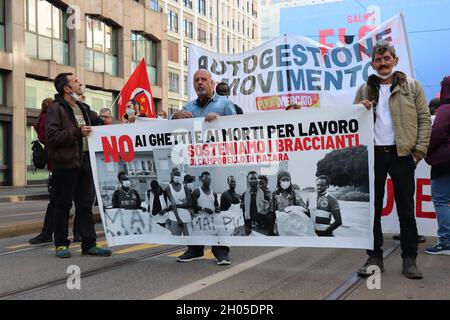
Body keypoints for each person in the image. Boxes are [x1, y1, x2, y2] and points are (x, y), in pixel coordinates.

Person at [354, 40, 431, 279]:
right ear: (373, 63)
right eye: (378, 60)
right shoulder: (364, 90)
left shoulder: (412, 86)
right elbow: (352, 122)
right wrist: (361, 109)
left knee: (406, 210)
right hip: (373, 156)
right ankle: (374, 257)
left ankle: (409, 259)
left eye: (387, 58)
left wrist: (417, 153)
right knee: (372, 210)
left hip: (402, 156)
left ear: (395, 61)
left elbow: (424, 120)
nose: (383, 63)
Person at [173, 69, 236, 264]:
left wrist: (219, 121)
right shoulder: (187, 107)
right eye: (196, 80)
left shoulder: (225, 104)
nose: (200, 83)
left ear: (212, 83)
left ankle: (221, 251)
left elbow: (237, 130)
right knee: (196, 208)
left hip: (217, 165)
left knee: (216, 209)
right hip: (195, 165)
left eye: (203, 79)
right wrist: (174, 117)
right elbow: (169, 129)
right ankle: (195, 248)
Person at [46, 72, 112, 258]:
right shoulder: (56, 109)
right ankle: (61, 244)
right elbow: (52, 137)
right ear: (67, 88)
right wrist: (77, 132)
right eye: (76, 81)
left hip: (84, 163)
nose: (80, 83)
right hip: (65, 165)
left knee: (85, 206)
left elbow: (98, 127)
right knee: (62, 205)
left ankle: (89, 244)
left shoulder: (83, 108)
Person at [424, 76, 450, 255]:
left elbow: (437, 132)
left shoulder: (446, 109)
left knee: (440, 200)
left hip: (444, 161)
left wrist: (426, 150)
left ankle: (446, 241)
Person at [29, 98, 55, 244]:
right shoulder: (48, 119)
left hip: (55, 162)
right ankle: (49, 233)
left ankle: (47, 233)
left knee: (58, 200)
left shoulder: (42, 118)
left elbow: (43, 137)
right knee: (59, 200)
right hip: (58, 162)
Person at [271, 170, 309, 235]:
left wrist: (293, 209)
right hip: (279, 226)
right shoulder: (274, 195)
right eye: (283, 180)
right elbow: (271, 210)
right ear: (279, 181)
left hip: (292, 226)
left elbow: (304, 208)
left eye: (287, 180)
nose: (285, 182)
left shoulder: (294, 194)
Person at [163, 168, 193, 236]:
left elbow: (190, 203)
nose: (177, 176)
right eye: (175, 175)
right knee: (176, 239)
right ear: (172, 176)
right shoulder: (168, 188)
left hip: (186, 216)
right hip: (174, 217)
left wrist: (177, 205)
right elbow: (172, 203)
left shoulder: (184, 187)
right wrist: (178, 218)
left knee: (189, 239)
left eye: (178, 175)